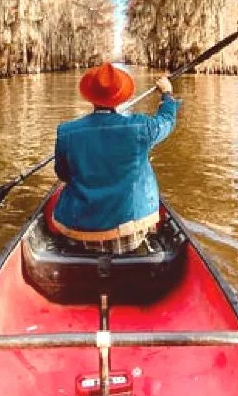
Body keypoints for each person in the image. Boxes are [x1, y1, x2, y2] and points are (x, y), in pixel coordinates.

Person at [51, 62, 181, 254]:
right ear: (119, 98)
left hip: (80, 233)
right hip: (130, 234)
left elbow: (62, 174)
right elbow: (167, 121)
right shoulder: (141, 127)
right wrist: (167, 95)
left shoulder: (66, 132)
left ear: (90, 97)